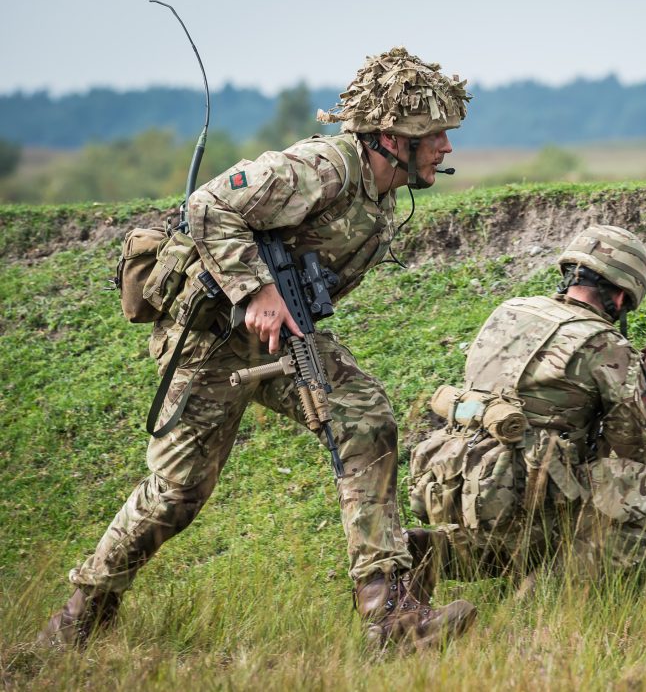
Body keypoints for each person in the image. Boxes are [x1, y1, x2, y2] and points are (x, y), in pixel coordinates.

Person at [39, 47, 476, 650]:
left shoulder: (382, 189)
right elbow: (209, 205)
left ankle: (391, 613)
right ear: (390, 136)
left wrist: (275, 303)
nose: (445, 147)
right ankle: (77, 620)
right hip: (213, 341)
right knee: (178, 491)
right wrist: (257, 291)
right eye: (433, 134)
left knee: (364, 417)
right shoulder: (320, 167)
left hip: (285, 335)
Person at [406, 225, 646, 582]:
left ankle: (441, 549)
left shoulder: (509, 311)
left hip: (453, 482)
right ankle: (548, 592)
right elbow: (634, 449)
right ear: (622, 297)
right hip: (519, 493)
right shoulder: (606, 344)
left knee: (542, 493)